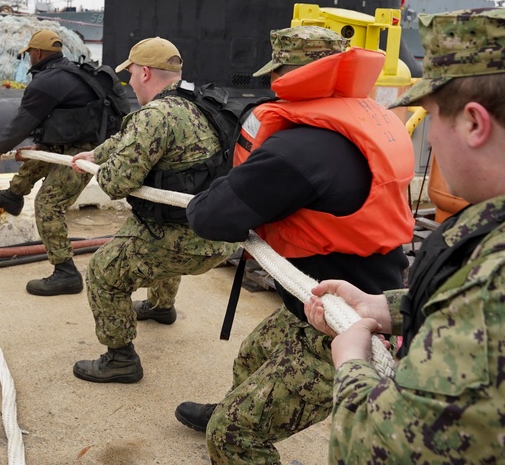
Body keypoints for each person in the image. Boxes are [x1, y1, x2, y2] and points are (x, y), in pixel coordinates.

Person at [306, 8, 505, 462]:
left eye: (434, 117)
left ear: (476, 123)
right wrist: (390, 307)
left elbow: (388, 453)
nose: (431, 139)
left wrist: (352, 363)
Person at [176, 26, 415, 463]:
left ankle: (237, 427)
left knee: (230, 439)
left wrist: (227, 188)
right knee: (253, 354)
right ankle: (241, 407)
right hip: (339, 289)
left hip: (343, 319)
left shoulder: (300, 148)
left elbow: (212, 216)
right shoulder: (363, 117)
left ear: (289, 73)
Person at [69, 37, 237, 384]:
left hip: (185, 242)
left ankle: (120, 359)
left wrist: (104, 167)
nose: (128, 82)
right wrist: (96, 154)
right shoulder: (197, 102)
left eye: (130, 74)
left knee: (103, 271)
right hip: (217, 235)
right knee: (153, 223)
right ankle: (161, 308)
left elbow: (115, 184)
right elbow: (131, 135)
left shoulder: (155, 116)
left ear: (144, 73)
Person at [0, 29, 105, 296]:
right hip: (74, 141)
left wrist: (0, 149)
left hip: (85, 150)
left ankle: (66, 272)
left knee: (48, 204)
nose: (29, 60)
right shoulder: (68, 71)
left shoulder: (47, 80)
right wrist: (43, 141)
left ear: (37, 53)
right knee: (41, 153)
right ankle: (13, 195)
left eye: (29, 55)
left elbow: (25, 119)